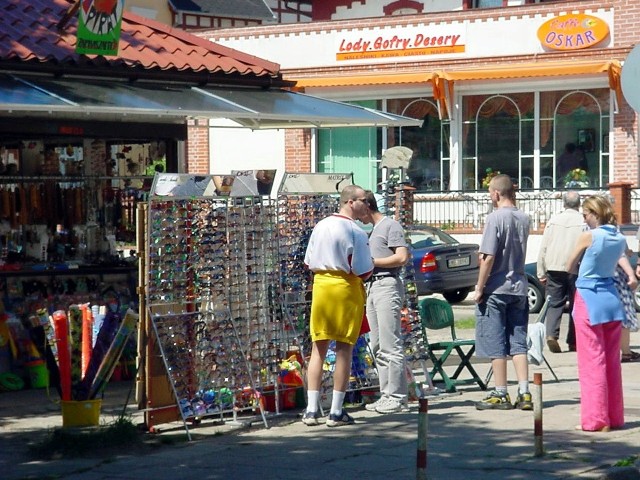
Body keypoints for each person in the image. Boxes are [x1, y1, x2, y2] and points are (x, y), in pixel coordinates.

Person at [301, 184, 374, 427]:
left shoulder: (321, 225)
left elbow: (309, 261)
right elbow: (363, 270)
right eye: (364, 200)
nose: (367, 204)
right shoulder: (356, 231)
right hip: (345, 287)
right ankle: (335, 410)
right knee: (344, 350)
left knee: (318, 347)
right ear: (350, 202)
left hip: (322, 286)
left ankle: (311, 410)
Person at [567, 195, 626, 432]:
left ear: (594, 214)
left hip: (588, 297)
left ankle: (596, 419)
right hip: (612, 298)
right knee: (612, 361)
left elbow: (569, 264)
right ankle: (615, 416)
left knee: (592, 361)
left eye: (585, 214)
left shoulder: (588, 236)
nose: (584, 218)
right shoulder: (620, 238)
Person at [474, 174, 532, 411]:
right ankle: (525, 391)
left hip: (496, 288)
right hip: (519, 286)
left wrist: (479, 287)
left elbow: (488, 257)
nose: (490, 196)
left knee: (495, 340)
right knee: (518, 341)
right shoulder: (525, 218)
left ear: (496, 193)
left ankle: (500, 392)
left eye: (490, 192)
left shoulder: (495, 218)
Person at [359, 190, 410, 414]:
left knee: (391, 343)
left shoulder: (391, 226)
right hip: (373, 286)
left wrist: (373, 262)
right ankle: (386, 393)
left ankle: (397, 396)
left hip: (387, 284)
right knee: (378, 345)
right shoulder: (373, 230)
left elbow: (401, 256)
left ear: (367, 206)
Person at [536, 191, 584, 353]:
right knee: (576, 305)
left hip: (554, 266)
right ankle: (573, 341)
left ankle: (551, 334)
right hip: (576, 267)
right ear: (579, 203)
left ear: (564, 203)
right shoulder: (583, 221)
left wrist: (541, 271)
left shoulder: (554, 220)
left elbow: (544, 247)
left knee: (554, 303)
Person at [613, 252, 639, 362]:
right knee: (624, 315)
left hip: (601, 280)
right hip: (617, 278)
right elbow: (619, 255)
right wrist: (631, 275)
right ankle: (626, 352)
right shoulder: (613, 237)